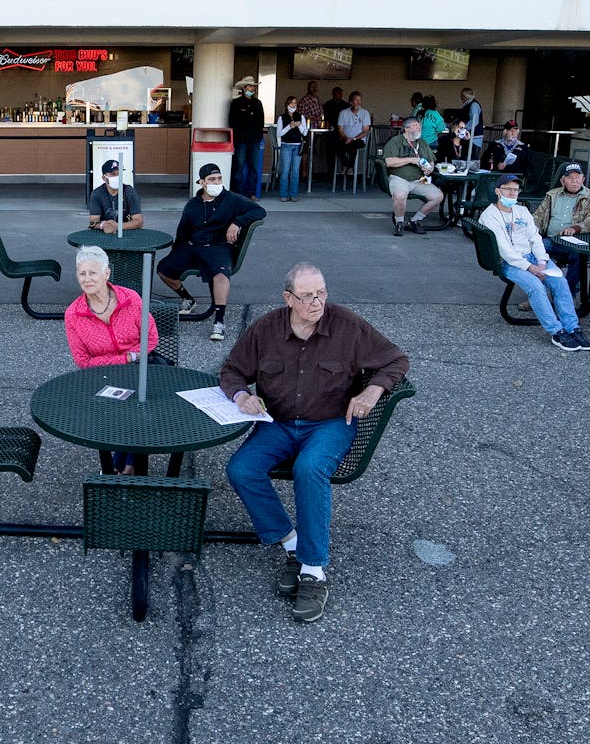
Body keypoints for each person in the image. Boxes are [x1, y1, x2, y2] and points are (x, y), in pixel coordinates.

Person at [220, 262, 409, 624]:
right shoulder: (265, 328)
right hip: (278, 422)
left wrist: (373, 388)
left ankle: (314, 571)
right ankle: (292, 545)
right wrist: (241, 396)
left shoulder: (347, 324)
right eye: (307, 296)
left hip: (330, 423)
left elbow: (396, 360)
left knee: (310, 468)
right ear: (288, 298)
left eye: (321, 292)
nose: (317, 302)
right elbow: (232, 370)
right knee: (241, 469)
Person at [480, 174, 590, 350]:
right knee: (536, 287)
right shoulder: (490, 216)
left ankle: (572, 327)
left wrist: (541, 261)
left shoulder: (522, 211)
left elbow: (535, 237)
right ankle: (556, 331)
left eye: (515, 190)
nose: (512, 193)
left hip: (533, 258)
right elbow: (504, 249)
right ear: (497, 191)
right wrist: (530, 267)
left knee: (560, 282)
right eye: (507, 189)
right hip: (510, 263)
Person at [158, 163, 266, 342]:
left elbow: (259, 211)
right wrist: (176, 251)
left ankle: (219, 321)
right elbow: (182, 231)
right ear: (202, 182)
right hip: (193, 246)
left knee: (221, 275)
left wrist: (238, 222)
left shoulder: (231, 199)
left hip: (219, 247)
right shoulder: (192, 204)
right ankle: (187, 299)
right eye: (212, 179)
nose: (217, 182)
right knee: (163, 269)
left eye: (219, 178)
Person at [63, 245, 159, 369]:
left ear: (106, 274)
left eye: (92, 273)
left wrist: (129, 360)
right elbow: (84, 361)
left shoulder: (130, 298)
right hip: (100, 374)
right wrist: (126, 358)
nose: (87, 279)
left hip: (138, 368)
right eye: (82, 274)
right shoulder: (73, 314)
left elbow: (150, 337)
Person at [533, 163, 590, 280]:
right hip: (552, 240)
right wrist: (532, 231)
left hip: (577, 243)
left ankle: (569, 293)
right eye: (570, 178)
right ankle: (539, 287)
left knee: (580, 256)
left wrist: (575, 228)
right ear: (563, 181)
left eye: (577, 178)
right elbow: (537, 217)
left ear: (583, 179)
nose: (574, 181)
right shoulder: (552, 195)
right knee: (531, 248)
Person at [378, 116, 443, 235]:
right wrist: (411, 160)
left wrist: (429, 169)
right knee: (400, 195)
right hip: (399, 178)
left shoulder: (422, 143)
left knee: (438, 196)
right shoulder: (395, 141)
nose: (419, 128)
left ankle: (414, 221)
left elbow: (432, 162)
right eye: (415, 125)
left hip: (419, 180)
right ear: (406, 128)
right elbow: (389, 162)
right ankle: (399, 223)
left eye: (419, 126)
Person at [227, 77, 265, 198]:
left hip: (254, 140)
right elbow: (232, 121)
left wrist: (258, 136)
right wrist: (238, 136)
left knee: (253, 168)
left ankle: (251, 193)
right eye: (250, 86)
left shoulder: (257, 103)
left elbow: (261, 122)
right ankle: (237, 193)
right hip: (241, 141)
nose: (252, 88)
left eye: (253, 86)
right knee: (239, 166)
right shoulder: (236, 103)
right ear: (244, 88)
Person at [86, 159, 142, 233]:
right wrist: (103, 225)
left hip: (128, 232)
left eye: (119, 173)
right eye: (112, 174)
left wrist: (118, 226)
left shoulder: (129, 191)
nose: (117, 177)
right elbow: (93, 222)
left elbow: (139, 221)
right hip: (105, 233)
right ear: (104, 178)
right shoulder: (97, 193)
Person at [274, 97, 308, 202]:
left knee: (295, 171)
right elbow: (279, 134)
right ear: (287, 104)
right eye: (291, 103)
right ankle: (284, 194)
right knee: (285, 171)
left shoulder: (300, 116)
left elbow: (305, 132)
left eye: (295, 103)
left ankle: (293, 194)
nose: (293, 105)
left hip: (297, 146)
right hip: (286, 146)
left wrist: (299, 126)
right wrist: (289, 126)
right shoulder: (282, 118)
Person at [335, 92, 371, 181]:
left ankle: (350, 167)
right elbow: (340, 129)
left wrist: (353, 138)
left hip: (359, 140)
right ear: (350, 102)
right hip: (345, 138)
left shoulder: (365, 113)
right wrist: (346, 138)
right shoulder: (343, 113)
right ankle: (344, 166)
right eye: (356, 100)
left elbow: (366, 131)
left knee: (353, 145)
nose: (358, 102)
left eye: (360, 100)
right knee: (338, 145)